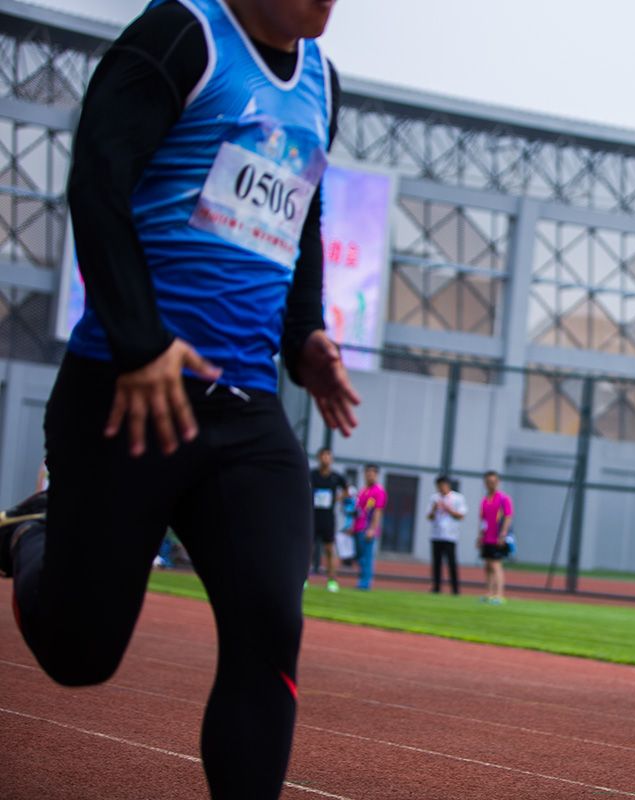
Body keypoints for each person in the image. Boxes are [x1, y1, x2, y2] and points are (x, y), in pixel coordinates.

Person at [0, 1, 359, 797]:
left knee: (270, 625)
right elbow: (97, 178)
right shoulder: (182, 37)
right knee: (80, 657)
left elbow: (300, 217)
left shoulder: (323, 86)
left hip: (245, 412)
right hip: (127, 396)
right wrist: (141, 341)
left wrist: (305, 337)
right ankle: (33, 533)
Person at [310, 447, 348, 591]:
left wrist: (338, 498)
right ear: (319, 457)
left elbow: (347, 490)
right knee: (309, 548)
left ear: (331, 459)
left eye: (328, 456)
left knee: (329, 549)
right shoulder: (312, 475)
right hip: (313, 516)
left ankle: (332, 580)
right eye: (323, 455)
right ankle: (303, 579)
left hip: (328, 517)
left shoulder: (336, 477)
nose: (326, 458)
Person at [478, 470, 513, 604]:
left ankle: (499, 594)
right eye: (488, 482)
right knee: (487, 565)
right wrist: (480, 536)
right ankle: (489, 593)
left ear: (497, 482)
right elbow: (483, 520)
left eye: (493, 481)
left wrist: (503, 534)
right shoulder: (485, 500)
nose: (490, 484)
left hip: (497, 537)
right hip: (487, 537)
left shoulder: (504, 499)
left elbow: (508, 517)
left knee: (496, 565)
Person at [427, 475, 466, 594]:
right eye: (438, 486)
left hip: (450, 536)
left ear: (448, 485)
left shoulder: (458, 498)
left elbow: (461, 515)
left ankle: (455, 589)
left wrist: (449, 510)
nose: (441, 488)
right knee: (436, 563)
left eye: (443, 485)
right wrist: (434, 509)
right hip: (436, 535)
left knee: (452, 563)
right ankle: (436, 587)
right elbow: (429, 516)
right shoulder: (434, 498)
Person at [354, 465, 386, 590]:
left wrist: (372, 529)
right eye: (367, 473)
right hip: (358, 527)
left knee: (367, 557)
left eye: (372, 473)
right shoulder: (363, 490)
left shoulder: (378, 491)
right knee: (360, 556)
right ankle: (362, 578)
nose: (369, 476)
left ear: (376, 475)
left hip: (368, 529)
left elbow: (378, 511)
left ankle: (365, 582)